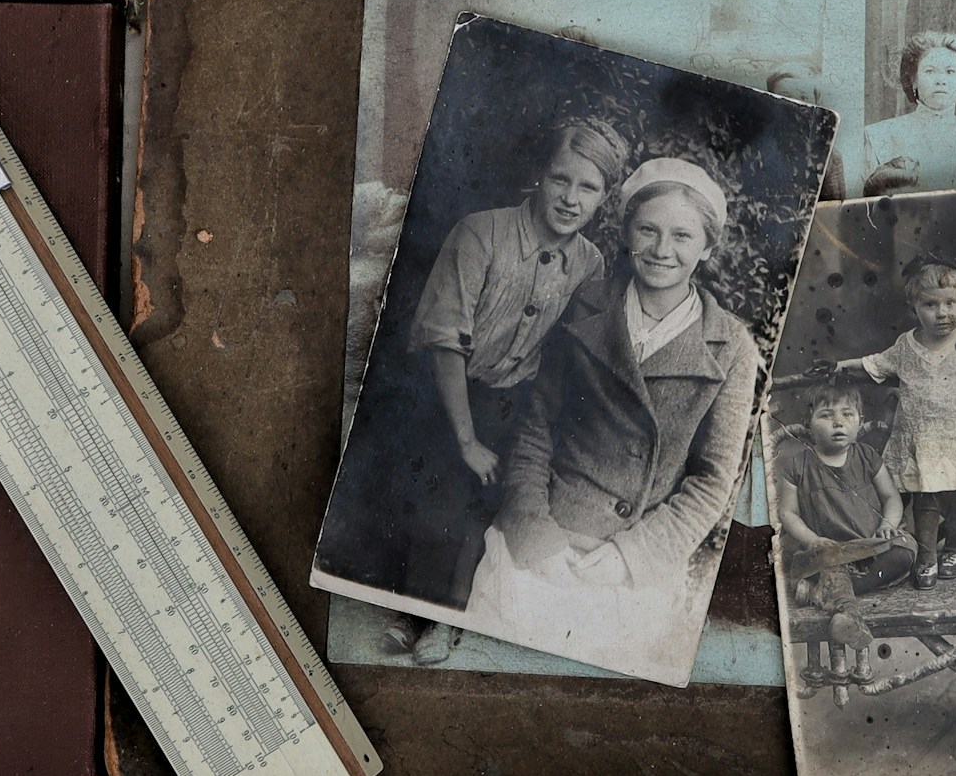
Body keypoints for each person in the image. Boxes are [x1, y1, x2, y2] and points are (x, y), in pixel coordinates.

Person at [467, 157, 758, 680]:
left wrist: (629, 557)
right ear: (626, 233)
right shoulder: (587, 304)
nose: (662, 250)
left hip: (637, 552)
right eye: (647, 229)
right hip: (551, 525)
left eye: (682, 235)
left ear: (708, 248)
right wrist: (535, 534)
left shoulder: (731, 345)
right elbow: (536, 432)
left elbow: (712, 483)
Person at [388, 115, 629, 661]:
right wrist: (467, 439)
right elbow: (444, 340)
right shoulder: (482, 232)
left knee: (487, 510)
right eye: (560, 179)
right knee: (438, 498)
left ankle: (444, 622)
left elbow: (578, 357)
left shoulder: (590, 264)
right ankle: (412, 612)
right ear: (541, 177)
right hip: (448, 395)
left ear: (604, 199)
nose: (570, 198)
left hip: (517, 404)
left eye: (588, 187)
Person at [823, 260, 956, 591]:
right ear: (914, 308)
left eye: (950, 303)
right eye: (930, 304)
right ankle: (927, 556)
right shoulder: (906, 346)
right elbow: (877, 363)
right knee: (925, 499)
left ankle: (953, 550)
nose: (942, 312)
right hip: (922, 437)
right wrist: (840, 364)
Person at [773, 381, 916, 690]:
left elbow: (892, 498)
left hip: (870, 547)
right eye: (826, 415)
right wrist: (812, 540)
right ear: (809, 424)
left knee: (905, 550)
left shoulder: (866, 457)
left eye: (847, 414)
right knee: (830, 561)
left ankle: (824, 593)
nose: (837, 422)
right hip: (829, 551)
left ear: (860, 421)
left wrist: (888, 525)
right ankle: (847, 613)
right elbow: (788, 513)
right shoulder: (798, 465)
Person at [860, 30, 956, 194]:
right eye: (930, 71)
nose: (940, 80)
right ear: (914, 80)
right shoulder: (878, 136)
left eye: (950, 72)